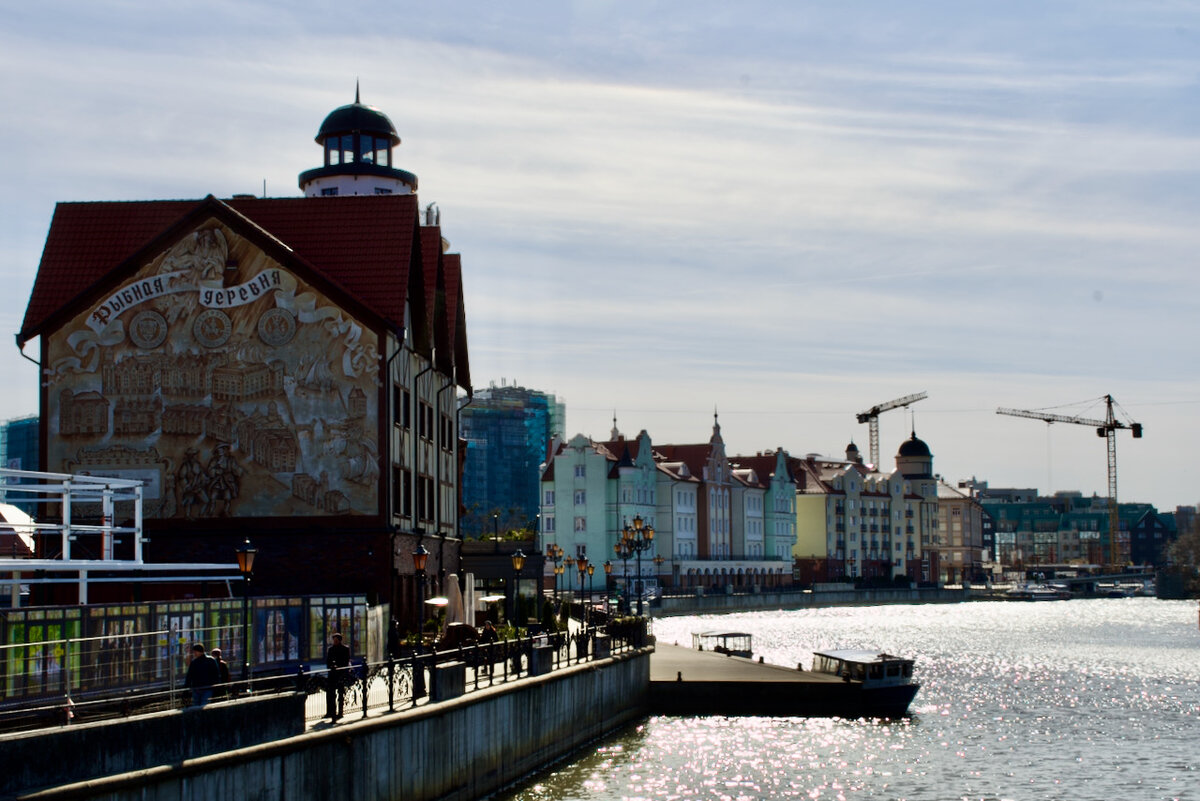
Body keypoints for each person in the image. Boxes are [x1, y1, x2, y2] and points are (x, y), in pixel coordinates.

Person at [184, 643, 220, 707]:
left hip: (197, 688)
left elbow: (189, 676)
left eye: (195, 652)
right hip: (207, 688)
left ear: (199, 651)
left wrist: (186, 689)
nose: (194, 654)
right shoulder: (211, 660)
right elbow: (216, 674)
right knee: (205, 706)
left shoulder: (194, 662)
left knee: (196, 706)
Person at [325, 632, 351, 721]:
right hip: (332, 675)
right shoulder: (330, 649)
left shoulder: (345, 649)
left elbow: (346, 661)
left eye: (336, 640)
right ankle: (330, 712)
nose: (334, 642)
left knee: (340, 693)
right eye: (334, 640)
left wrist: (340, 669)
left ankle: (340, 712)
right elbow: (328, 662)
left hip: (341, 675)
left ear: (339, 641)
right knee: (330, 694)